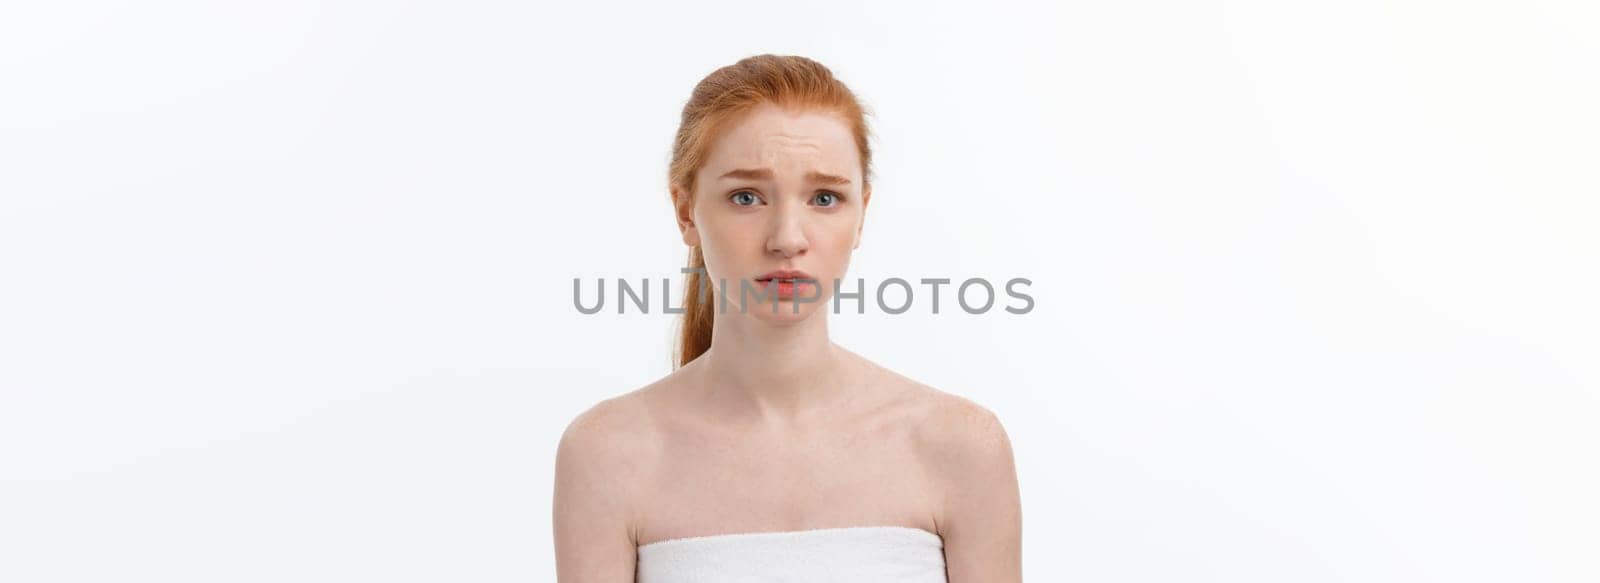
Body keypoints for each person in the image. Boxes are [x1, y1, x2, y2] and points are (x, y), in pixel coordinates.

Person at [553, 54, 1022, 582]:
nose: (787, 239)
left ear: (861, 212)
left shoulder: (958, 446)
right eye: (746, 197)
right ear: (686, 211)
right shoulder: (608, 454)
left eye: (825, 197)